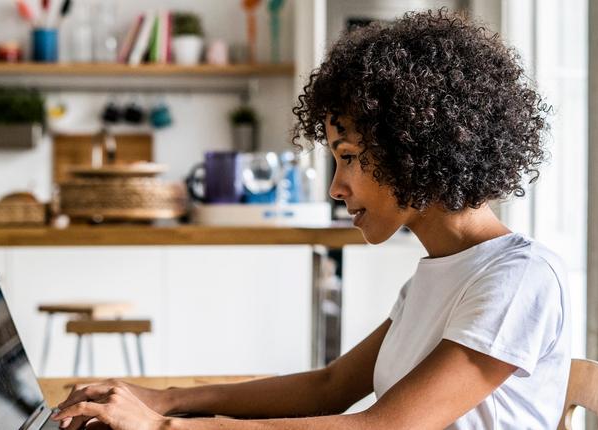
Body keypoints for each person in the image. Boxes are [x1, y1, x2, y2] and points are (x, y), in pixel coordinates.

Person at [53, 8, 570, 430]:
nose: (335, 187)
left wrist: (164, 428)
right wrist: (166, 400)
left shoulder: (518, 279)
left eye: (347, 156)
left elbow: (384, 428)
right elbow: (331, 387)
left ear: (409, 148)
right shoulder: (435, 275)